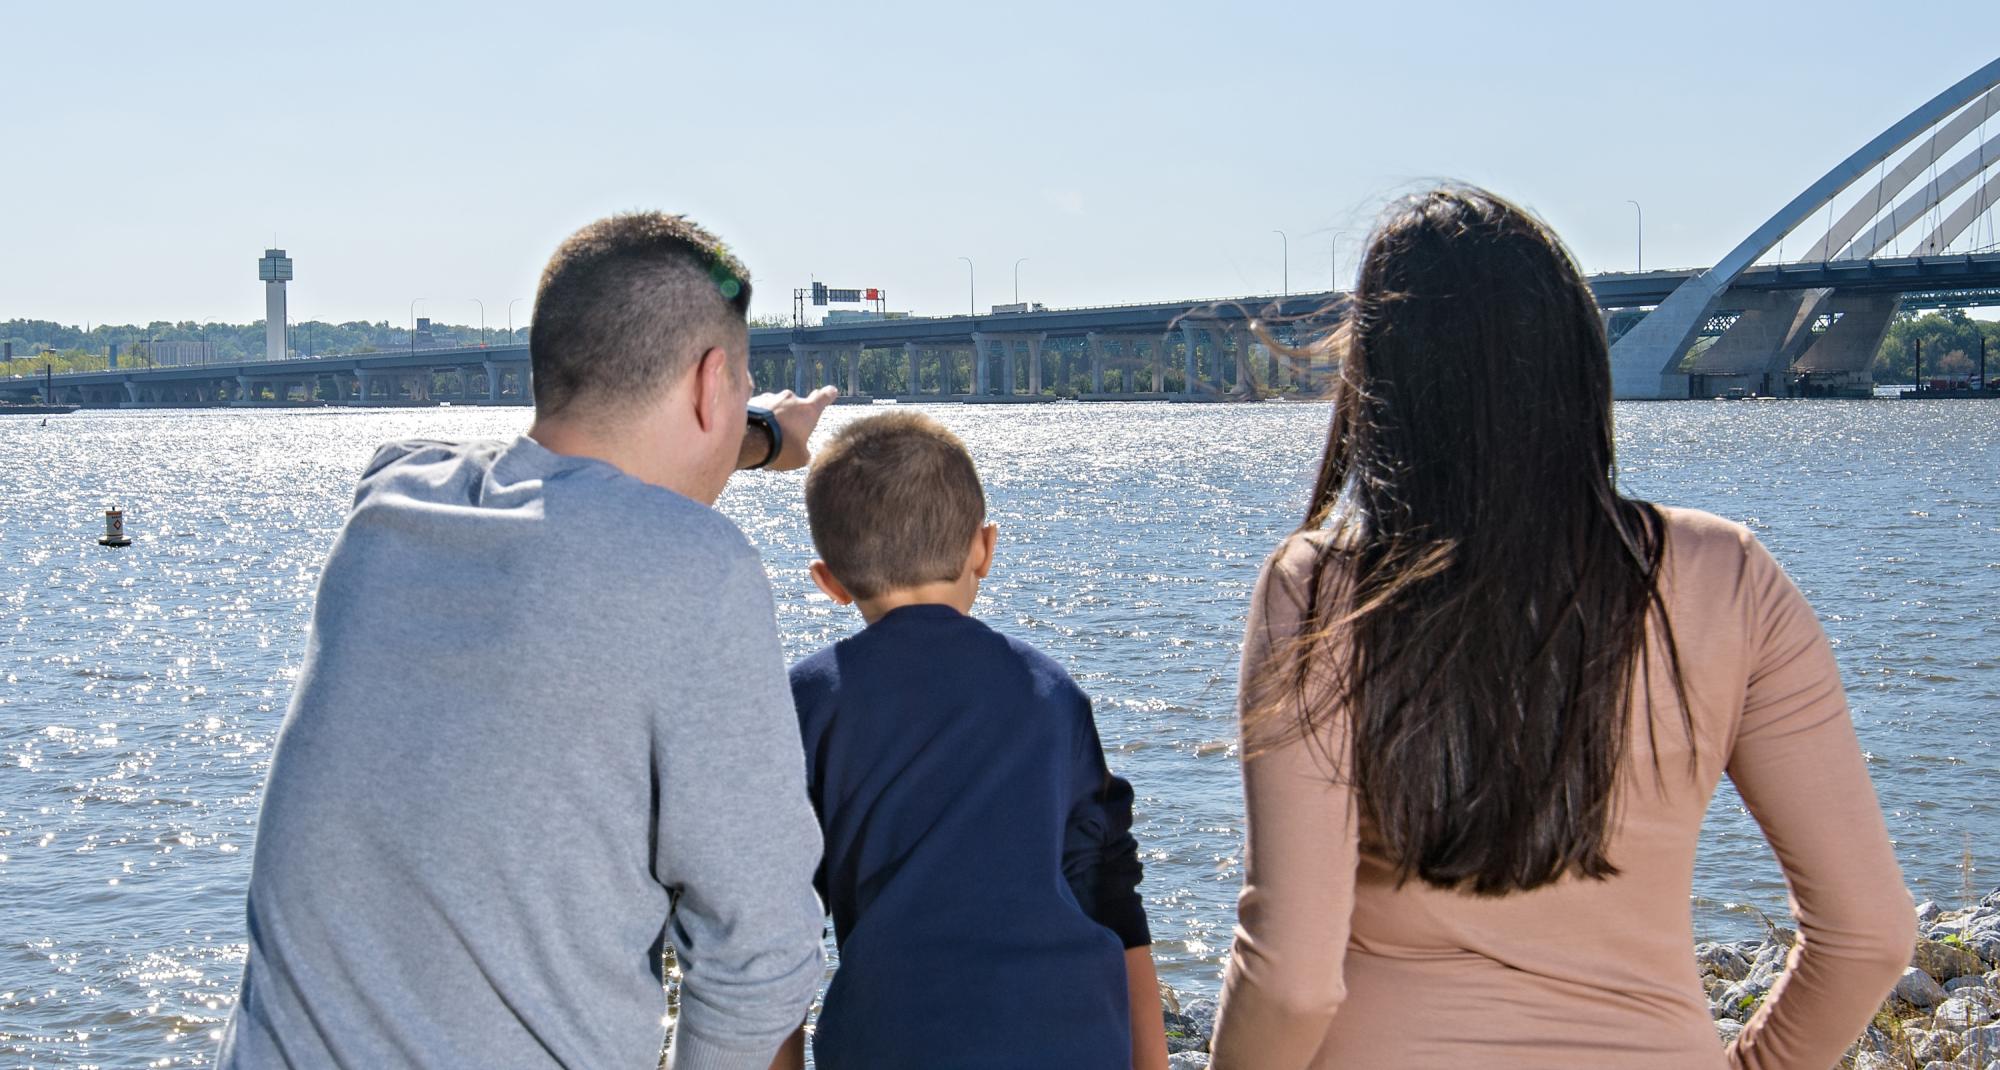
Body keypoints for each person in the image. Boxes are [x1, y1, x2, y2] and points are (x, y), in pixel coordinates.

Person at [1208, 187, 1915, 1070]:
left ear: (1384, 384)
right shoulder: (1728, 576)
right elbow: (1869, 936)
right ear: (1580, 361)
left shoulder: (1324, 588)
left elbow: (1293, 983)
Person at [219, 212, 839, 1069]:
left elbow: (571, 465)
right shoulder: (698, 566)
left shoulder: (393, 500)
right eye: (740, 390)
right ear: (710, 386)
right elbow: (759, 962)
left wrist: (759, 437)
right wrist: (759, 441)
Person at [785, 411, 1170, 1070]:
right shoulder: (1052, 692)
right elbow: (1111, 891)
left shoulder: (812, 701)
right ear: (984, 548)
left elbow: (771, 926)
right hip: (1074, 1047)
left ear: (829, 582)